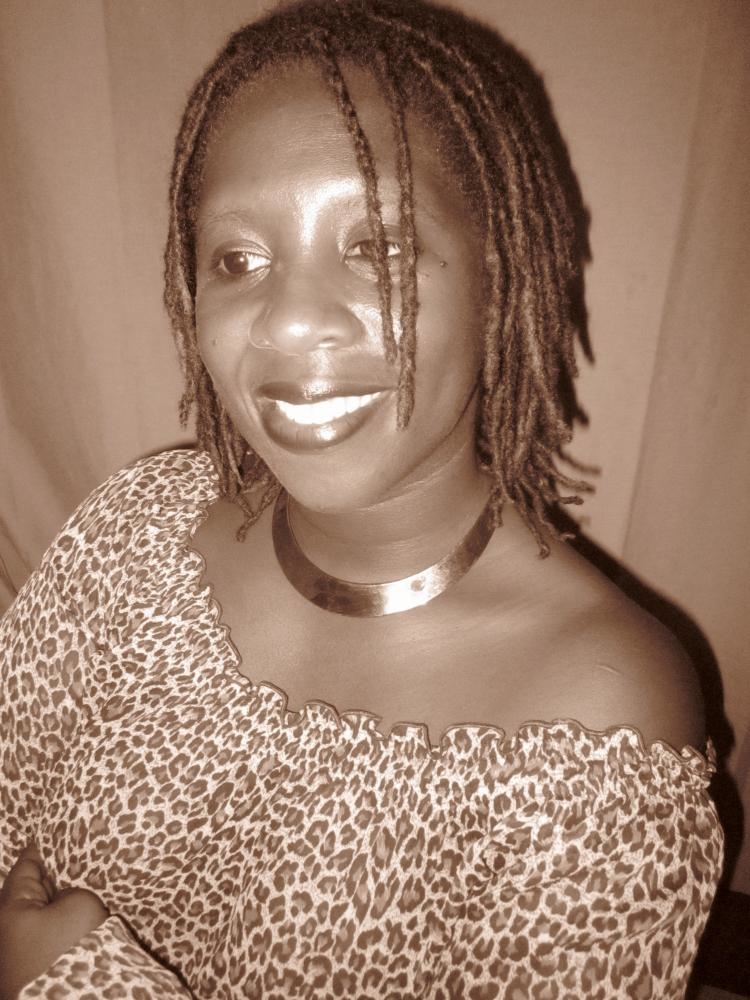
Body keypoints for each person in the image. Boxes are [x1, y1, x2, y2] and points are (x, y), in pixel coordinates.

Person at [0, 0, 723, 996]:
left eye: (378, 249)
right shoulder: (139, 532)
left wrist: (73, 983)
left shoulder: (599, 718)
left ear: (500, 277)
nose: (291, 323)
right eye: (239, 261)